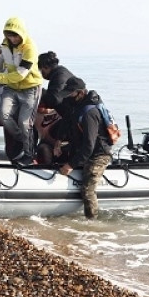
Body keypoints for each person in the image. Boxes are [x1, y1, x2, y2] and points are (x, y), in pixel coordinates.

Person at [0, 17, 44, 167]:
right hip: (12, 88)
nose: (13, 38)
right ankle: (21, 138)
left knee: (24, 122)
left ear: (21, 33)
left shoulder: (30, 47)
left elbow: (20, 74)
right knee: (3, 115)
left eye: (15, 35)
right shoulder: (5, 45)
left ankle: (29, 154)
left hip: (30, 88)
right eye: (9, 35)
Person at [56, 77, 113, 219]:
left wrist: (71, 165)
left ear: (80, 93)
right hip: (81, 147)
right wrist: (59, 142)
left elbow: (89, 146)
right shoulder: (77, 106)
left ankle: (91, 223)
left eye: (71, 93)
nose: (68, 96)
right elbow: (69, 125)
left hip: (98, 154)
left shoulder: (89, 113)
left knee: (87, 191)